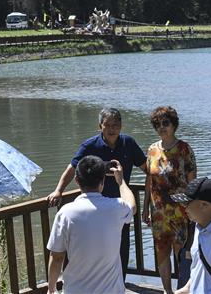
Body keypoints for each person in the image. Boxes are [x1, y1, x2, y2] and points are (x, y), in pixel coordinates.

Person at [47, 108, 147, 276]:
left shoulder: (128, 143)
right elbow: (72, 168)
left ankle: (119, 283)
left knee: (122, 249)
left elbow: (147, 168)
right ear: (100, 126)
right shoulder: (90, 145)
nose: (112, 129)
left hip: (119, 208)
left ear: (121, 126)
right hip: (94, 207)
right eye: (107, 125)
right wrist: (58, 190)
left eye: (115, 125)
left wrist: (158, 187)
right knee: (94, 248)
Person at [46, 156, 136, 294]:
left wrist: (51, 289)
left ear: (77, 180)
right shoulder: (116, 207)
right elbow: (132, 206)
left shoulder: (66, 213)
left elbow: (57, 257)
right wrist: (121, 181)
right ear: (102, 181)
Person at [142, 106, 197, 294]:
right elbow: (149, 180)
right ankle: (167, 291)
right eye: (157, 124)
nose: (161, 127)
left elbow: (192, 182)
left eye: (165, 123)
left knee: (182, 253)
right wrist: (145, 207)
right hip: (159, 212)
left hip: (181, 211)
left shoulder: (184, 149)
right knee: (162, 252)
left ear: (174, 124)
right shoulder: (152, 150)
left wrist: (193, 209)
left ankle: (183, 290)